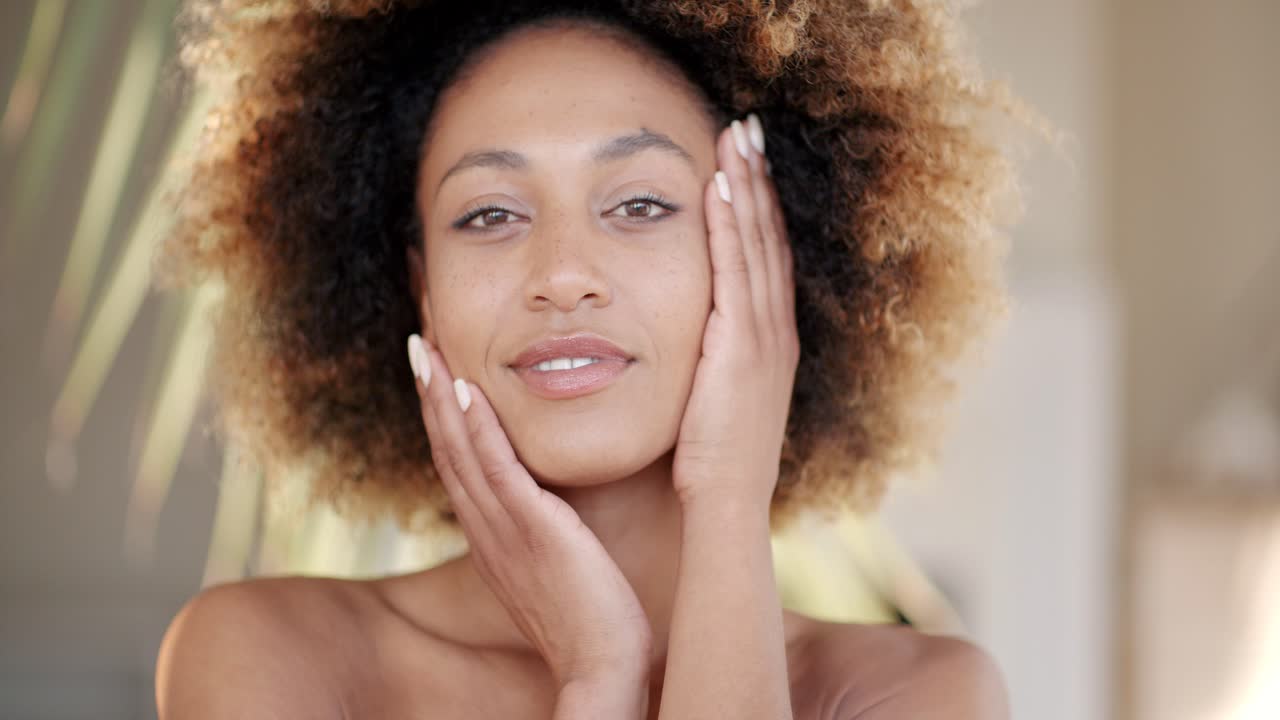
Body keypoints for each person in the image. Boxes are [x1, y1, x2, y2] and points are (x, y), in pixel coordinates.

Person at [154, 1, 1024, 717]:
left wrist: (729, 501)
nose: (563, 275)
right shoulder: (274, 659)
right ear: (421, 289)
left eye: (641, 203)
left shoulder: (912, 695)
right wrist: (597, 675)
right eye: (489, 215)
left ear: (767, 253)